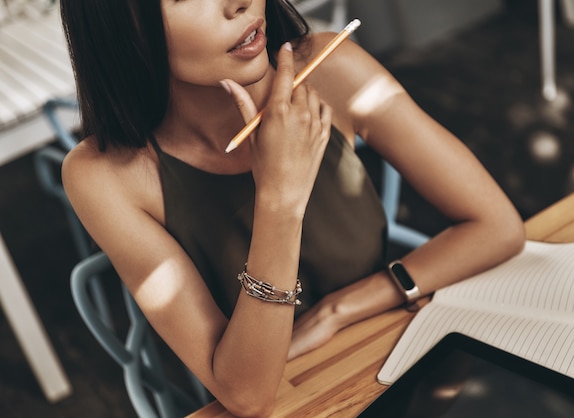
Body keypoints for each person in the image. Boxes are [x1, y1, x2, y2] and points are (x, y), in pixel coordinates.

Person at [59, 1, 525, 416]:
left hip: (394, 353)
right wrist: (279, 199)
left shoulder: (331, 67)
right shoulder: (103, 175)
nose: (239, 4)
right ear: (126, 28)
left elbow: (497, 225)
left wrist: (336, 311)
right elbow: (248, 397)